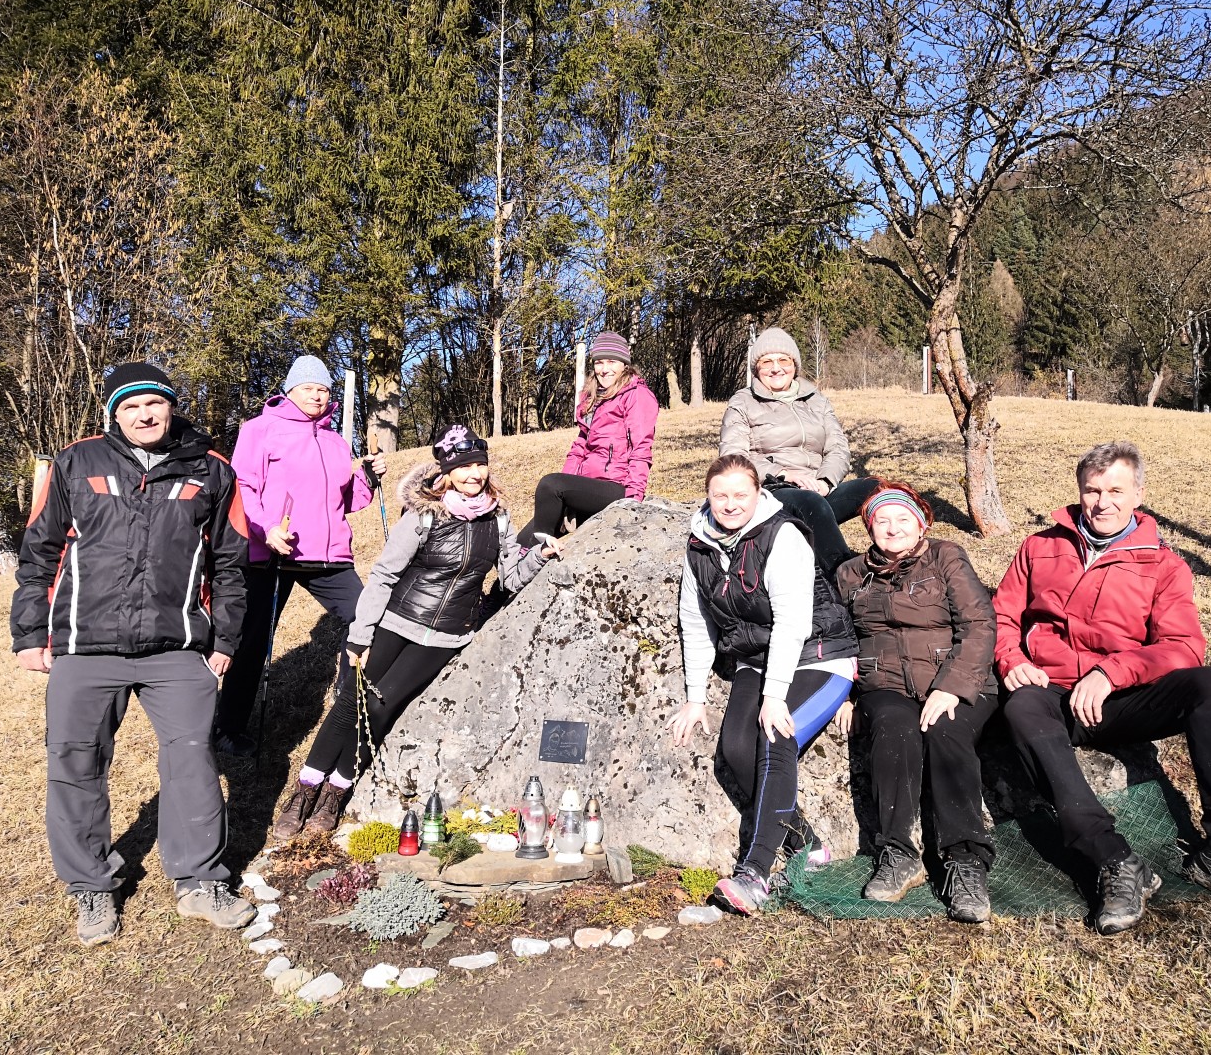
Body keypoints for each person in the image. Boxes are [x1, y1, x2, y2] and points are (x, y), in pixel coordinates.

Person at [994, 441, 1211, 935]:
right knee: (1020, 707)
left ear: (1138, 494)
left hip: (1123, 697)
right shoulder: (1039, 547)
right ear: (1079, 491)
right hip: (1052, 691)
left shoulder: (1163, 565)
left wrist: (1111, 673)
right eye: (1092, 490)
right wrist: (1012, 659)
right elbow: (1001, 616)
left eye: (1115, 491)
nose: (1102, 503)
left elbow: (1183, 646)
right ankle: (1113, 859)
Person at [10, 362, 257, 947]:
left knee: (193, 762)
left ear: (171, 406)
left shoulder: (212, 470)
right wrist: (29, 634)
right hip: (84, 647)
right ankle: (91, 885)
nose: (144, 415)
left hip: (177, 648)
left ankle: (200, 881)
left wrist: (224, 640)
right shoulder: (76, 462)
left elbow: (231, 564)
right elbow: (38, 552)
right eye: (130, 406)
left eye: (154, 403)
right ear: (113, 414)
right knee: (74, 764)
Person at [272, 425, 559, 839]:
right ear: (447, 472)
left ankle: (335, 792)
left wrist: (541, 556)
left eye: (479, 465)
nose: (474, 474)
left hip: (445, 637)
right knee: (350, 702)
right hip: (395, 622)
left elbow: (511, 576)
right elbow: (384, 575)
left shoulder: (497, 518)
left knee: (379, 709)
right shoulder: (425, 514)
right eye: (464, 467)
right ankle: (304, 790)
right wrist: (360, 635)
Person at [671, 453, 858, 916]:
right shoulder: (698, 546)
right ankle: (807, 843)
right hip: (755, 660)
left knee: (774, 735)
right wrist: (696, 699)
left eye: (741, 494)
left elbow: (793, 623)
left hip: (819, 654)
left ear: (758, 493)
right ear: (708, 497)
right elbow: (695, 623)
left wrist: (774, 698)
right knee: (736, 751)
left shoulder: (783, 535)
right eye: (720, 495)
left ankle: (754, 873)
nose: (730, 504)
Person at [833, 482, 999, 923]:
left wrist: (952, 686)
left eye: (903, 519)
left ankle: (965, 860)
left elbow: (980, 622)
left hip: (957, 681)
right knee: (893, 728)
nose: (893, 528)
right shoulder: (849, 574)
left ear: (922, 523)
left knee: (945, 731)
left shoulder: (946, 556)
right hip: (884, 684)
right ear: (869, 528)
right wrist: (844, 694)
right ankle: (899, 853)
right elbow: (837, 638)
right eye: (882, 521)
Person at [214, 355, 386, 757]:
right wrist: (265, 529)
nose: (316, 395)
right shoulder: (260, 429)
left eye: (323, 389)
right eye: (308, 388)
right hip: (272, 551)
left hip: (327, 555)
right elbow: (243, 488)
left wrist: (367, 477)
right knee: (252, 642)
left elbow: (345, 500)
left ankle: (345, 704)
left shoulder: (335, 441)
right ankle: (227, 728)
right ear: (290, 391)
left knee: (365, 619)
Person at [719, 326, 880, 577]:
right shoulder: (743, 401)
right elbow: (733, 458)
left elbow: (838, 448)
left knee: (876, 487)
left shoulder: (816, 399)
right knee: (810, 503)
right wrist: (783, 474)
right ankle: (846, 577)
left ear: (794, 365)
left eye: (783, 360)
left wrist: (825, 481)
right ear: (756, 369)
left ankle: (893, 563)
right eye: (767, 362)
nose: (776, 368)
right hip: (773, 491)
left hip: (818, 488)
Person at [516, 331, 659, 548]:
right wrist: (566, 492)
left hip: (616, 487)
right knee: (520, 542)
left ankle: (542, 552)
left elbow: (641, 449)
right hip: (586, 487)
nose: (604, 369)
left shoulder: (636, 395)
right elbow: (579, 447)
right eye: (599, 362)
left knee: (550, 485)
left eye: (611, 362)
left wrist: (633, 501)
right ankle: (524, 559)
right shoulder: (592, 398)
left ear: (624, 364)